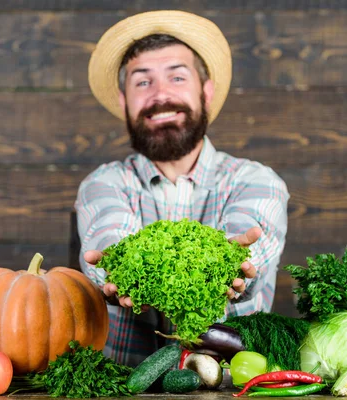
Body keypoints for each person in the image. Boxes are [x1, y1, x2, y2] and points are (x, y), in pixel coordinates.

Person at [74, 10, 289, 367]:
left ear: (206, 92)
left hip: (230, 385)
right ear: (124, 100)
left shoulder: (256, 181)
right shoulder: (104, 183)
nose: (160, 95)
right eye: (142, 82)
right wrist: (116, 269)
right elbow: (108, 239)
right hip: (124, 388)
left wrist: (234, 266)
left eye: (176, 77)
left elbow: (250, 246)